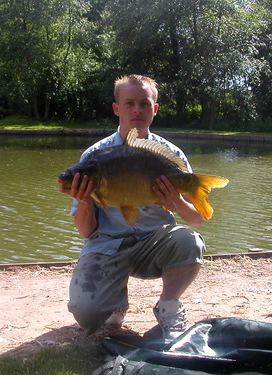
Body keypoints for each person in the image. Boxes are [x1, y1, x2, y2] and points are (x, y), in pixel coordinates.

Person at [58, 74, 207, 340]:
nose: (137, 109)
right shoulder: (95, 157)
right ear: (116, 108)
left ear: (155, 109)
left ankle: (169, 305)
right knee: (87, 314)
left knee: (190, 240)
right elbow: (84, 231)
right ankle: (115, 302)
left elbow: (198, 219)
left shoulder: (168, 154)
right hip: (107, 245)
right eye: (129, 103)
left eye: (144, 103)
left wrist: (178, 203)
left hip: (154, 245)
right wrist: (84, 200)